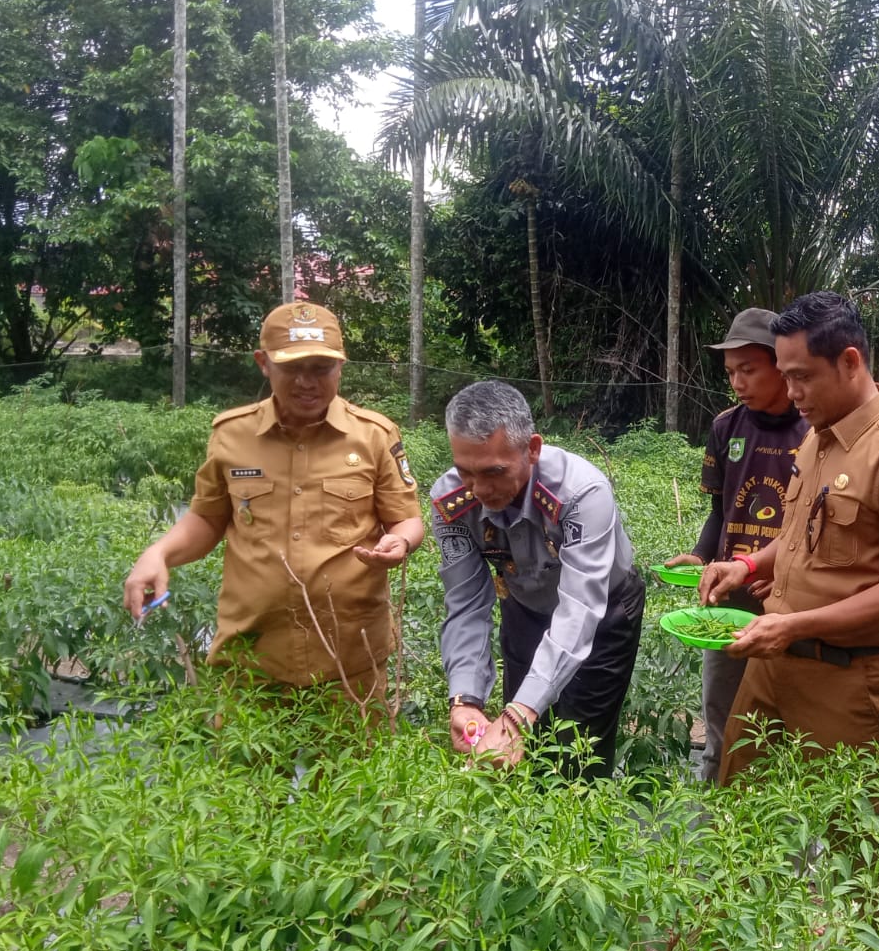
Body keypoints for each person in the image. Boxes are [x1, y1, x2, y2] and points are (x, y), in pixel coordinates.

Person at [698, 291, 879, 785]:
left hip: (845, 679)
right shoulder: (817, 437)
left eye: (802, 375)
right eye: (786, 375)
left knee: (845, 841)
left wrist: (793, 626)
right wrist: (748, 566)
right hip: (772, 664)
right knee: (739, 813)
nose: (791, 392)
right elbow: (796, 534)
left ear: (849, 361)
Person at [122, 302, 425, 708]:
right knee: (246, 772)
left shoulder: (374, 435)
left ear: (340, 367)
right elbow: (207, 520)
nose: (307, 382)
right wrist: (158, 553)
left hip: (350, 658)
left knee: (351, 772)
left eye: (321, 368)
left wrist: (400, 543)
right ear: (263, 363)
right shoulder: (232, 435)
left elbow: (406, 519)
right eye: (292, 368)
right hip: (252, 656)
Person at [432, 381, 644, 779]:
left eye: (495, 472)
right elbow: (465, 603)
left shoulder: (582, 492)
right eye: (466, 472)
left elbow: (580, 608)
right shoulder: (450, 503)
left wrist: (516, 717)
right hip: (525, 607)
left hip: (603, 614)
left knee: (580, 751)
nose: (479, 489)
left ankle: (583, 832)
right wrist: (464, 699)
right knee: (526, 747)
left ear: (532, 448)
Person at [664, 308, 809, 780]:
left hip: (788, 601)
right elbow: (720, 510)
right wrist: (703, 556)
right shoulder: (727, 427)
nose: (738, 382)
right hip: (732, 595)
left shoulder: (813, 429)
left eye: (749, 369)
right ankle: (717, 815)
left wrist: (786, 576)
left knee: (787, 723)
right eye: (731, 372)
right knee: (722, 719)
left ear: (780, 365)